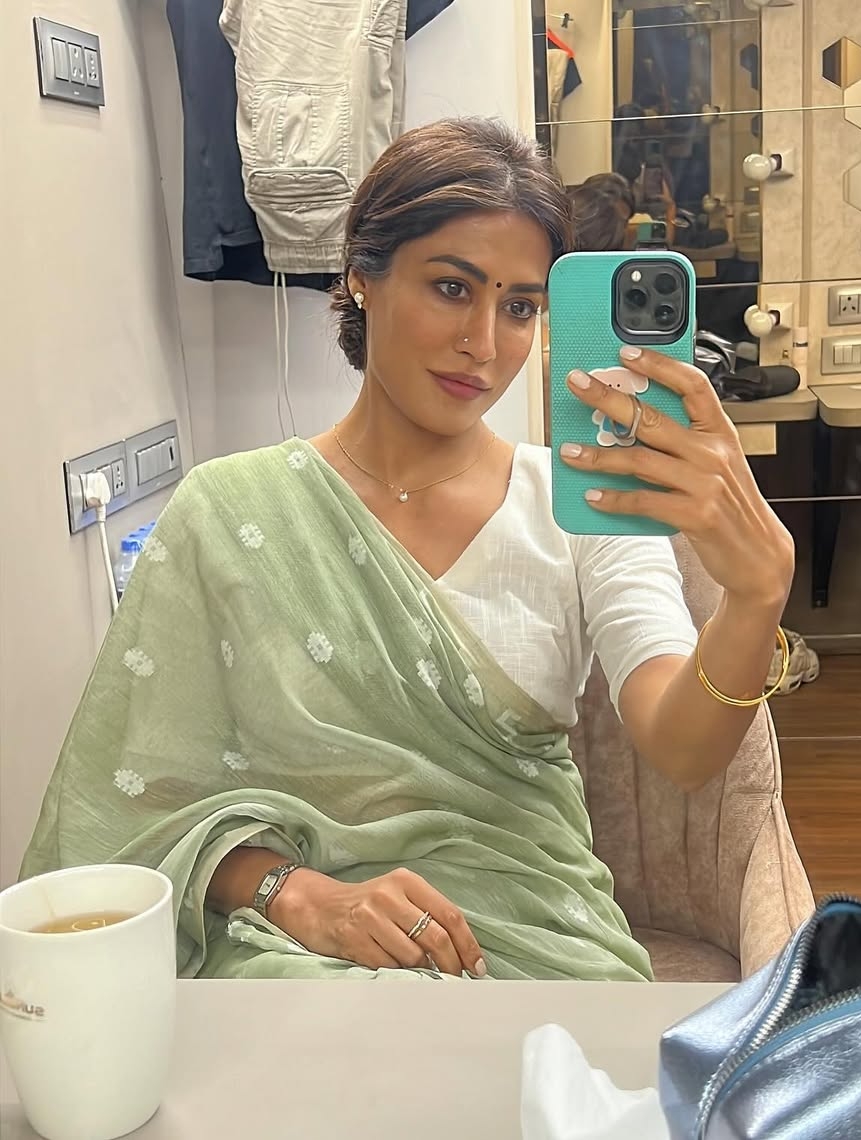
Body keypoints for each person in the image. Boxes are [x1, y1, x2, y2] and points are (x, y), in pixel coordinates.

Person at [21, 118, 794, 983]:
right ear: (362, 275)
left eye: (520, 307)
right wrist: (293, 893)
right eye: (452, 288)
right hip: (295, 961)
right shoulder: (229, 514)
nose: (485, 345)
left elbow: (684, 748)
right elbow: (137, 811)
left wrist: (754, 599)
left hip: (533, 956)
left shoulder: (584, 512)